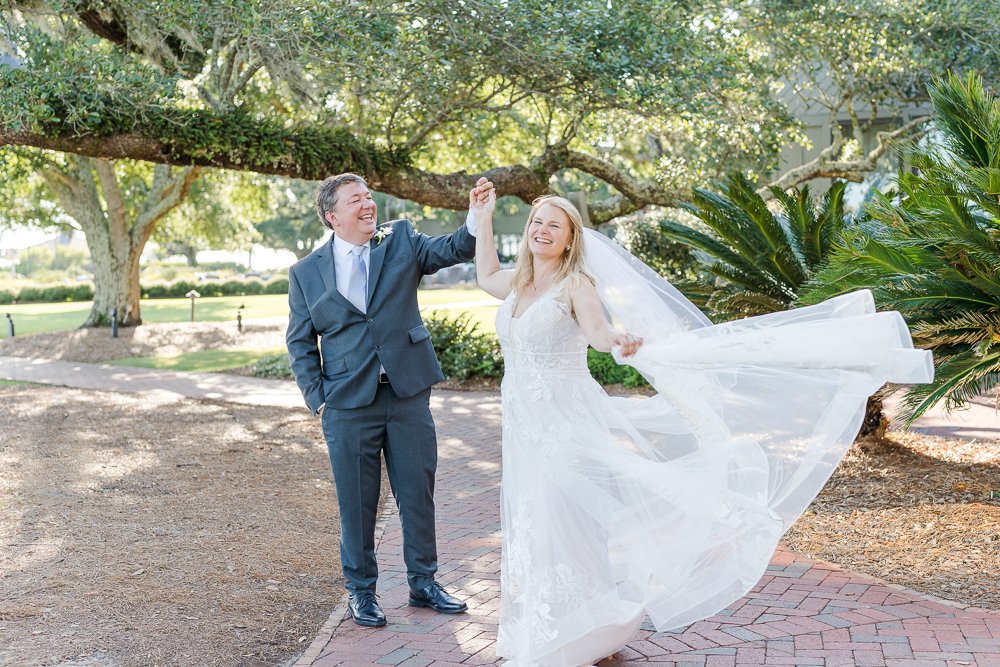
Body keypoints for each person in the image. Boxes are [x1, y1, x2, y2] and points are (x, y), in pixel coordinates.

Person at [471, 189, 933, 666]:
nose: (541, 231)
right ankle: (569, 627)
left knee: (563, 521)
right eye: (536, 223)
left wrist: (618, 338)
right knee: (536, 522)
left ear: (569, 240)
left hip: (565, 427)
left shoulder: (575, 285)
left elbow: (598, 333)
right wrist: (482, 218)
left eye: (553, 226)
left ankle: (578, 632)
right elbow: (485, 275)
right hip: (525, 426)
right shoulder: (519, 284)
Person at [286, 173, 494, 628]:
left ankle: (424, 582)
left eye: (368, 197)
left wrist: (477, 217)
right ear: (331, 216)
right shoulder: (305, 272)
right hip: (346, 405)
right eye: (354, 200)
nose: (367, 204)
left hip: (406, 395)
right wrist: (318, 399)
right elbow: (300, 342)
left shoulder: (401, 240)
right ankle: (362, 592)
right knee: (357, 503)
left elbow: (453, 247)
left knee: (418, 494)